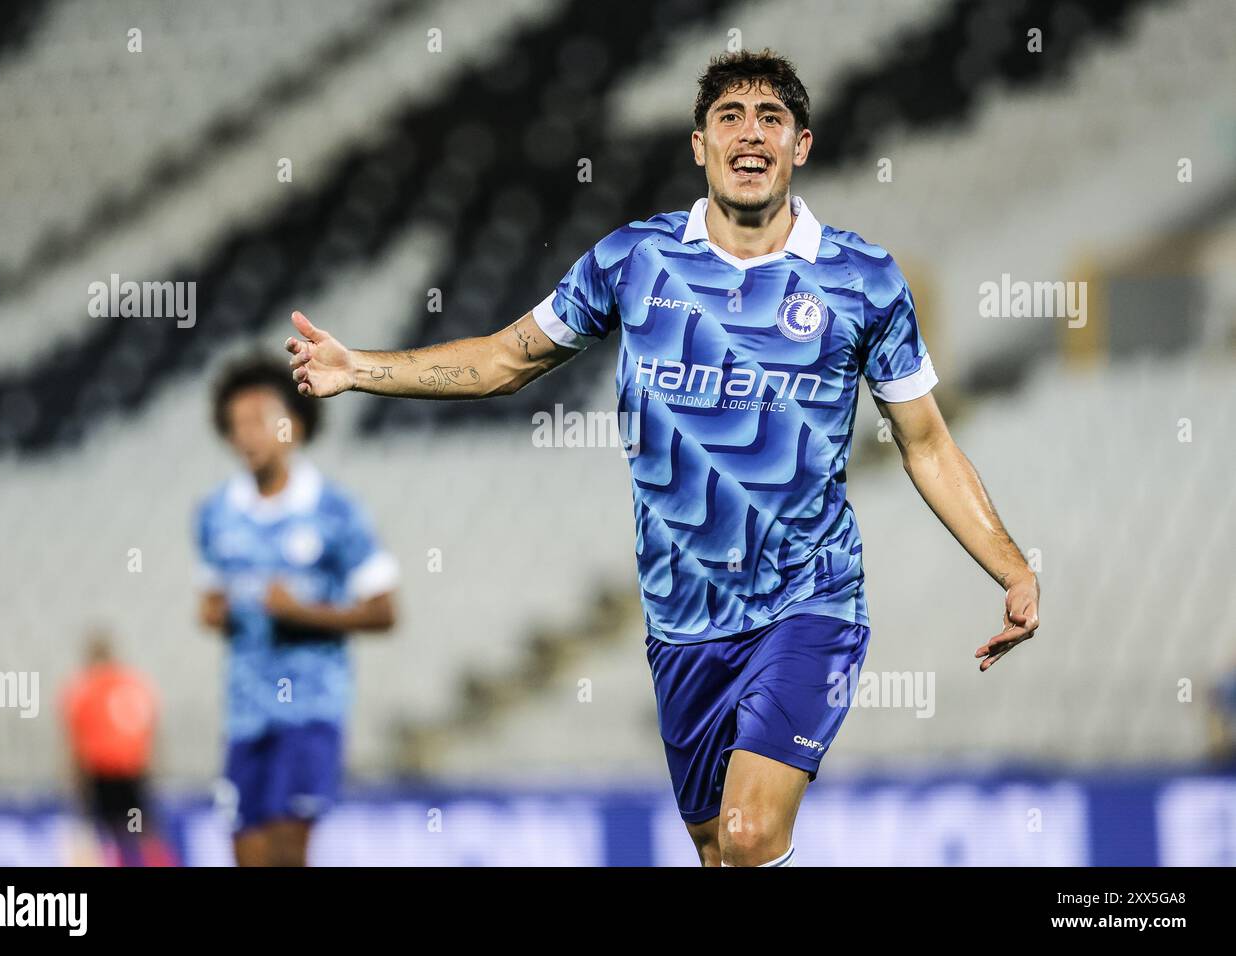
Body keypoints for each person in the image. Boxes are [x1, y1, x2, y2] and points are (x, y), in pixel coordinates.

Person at [283, 50, 1040, 867]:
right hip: (681, 625)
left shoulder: (861, 280)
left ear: (803, 146)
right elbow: (507, 360)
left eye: (772, 120)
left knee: (749, 836)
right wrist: (360, 367)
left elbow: (924, 442)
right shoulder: (634, 261)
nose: (751, 135)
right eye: (730, 118)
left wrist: (1011, 568)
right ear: (698, 145)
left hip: (809, 604)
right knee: (719, 853)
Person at [196, 356, 398, 866]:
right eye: (237, 423)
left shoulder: (335, 511)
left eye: (262, 419)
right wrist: (217, 614)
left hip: (309, 709)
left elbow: (383, 612)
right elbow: (212, 598)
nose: (249, 435)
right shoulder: (216, 514)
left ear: (295, 424)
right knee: (248, 854)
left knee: (288, 852)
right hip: (244, 712)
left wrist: (303, 613)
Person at [60, 631, 171, 866]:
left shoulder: (83, 689)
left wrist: (76, 781)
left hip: (100, 775)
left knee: (101, 835)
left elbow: (76, 742)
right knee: (140, 830)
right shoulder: (134, 683)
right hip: (132, 773)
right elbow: (150, 727)